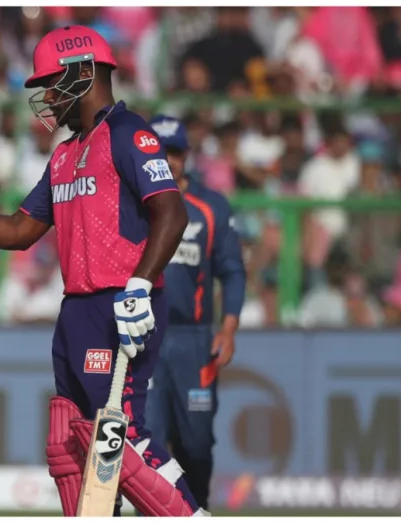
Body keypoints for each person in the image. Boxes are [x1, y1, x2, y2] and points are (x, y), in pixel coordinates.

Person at [0, 26, 207, 517]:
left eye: (52, 83)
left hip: (120, 304)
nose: (47, 97)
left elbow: (171, 213)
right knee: (68, 439)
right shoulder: (66, 153)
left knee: (119, 436)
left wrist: (139, 287)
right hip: (75, 310)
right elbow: (20, 230)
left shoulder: (128, 133)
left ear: (84, 73)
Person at [145, 115, 246, 510]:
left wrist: (229, 329)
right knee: (147, 442)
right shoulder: (132, 204)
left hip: (194, 341)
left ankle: (197, 511)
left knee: (196, 444)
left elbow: (232, 271)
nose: (167, 161)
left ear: (186, 155)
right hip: (145, 338)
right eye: (159, 152)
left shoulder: (211, 207)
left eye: (174, 152)